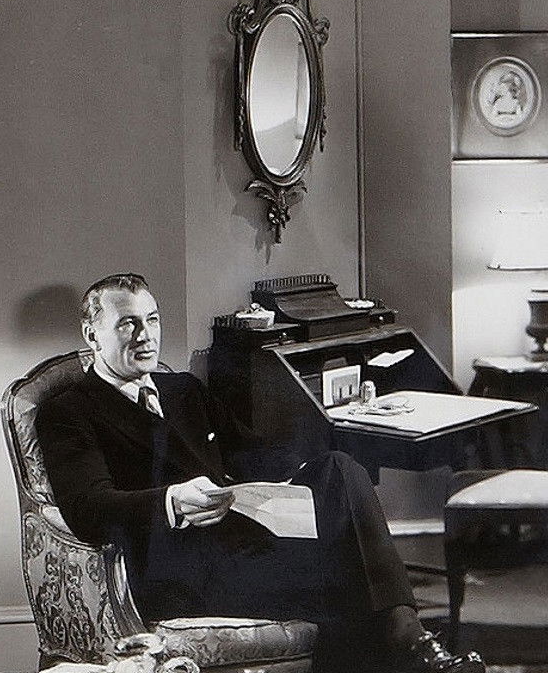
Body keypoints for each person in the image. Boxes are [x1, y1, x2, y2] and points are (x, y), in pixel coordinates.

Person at [36, 273, 485, 673]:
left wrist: (348, 421)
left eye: (152, 320)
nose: (145, 335)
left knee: (339, 467)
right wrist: (173, 502)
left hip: (243, 545)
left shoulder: (182, 389)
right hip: (174, 570)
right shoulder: (69, 411)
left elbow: (257, 454)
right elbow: (87, 509)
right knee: (350, 569)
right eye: (127, 324)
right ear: (92, 335)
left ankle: (408, 644)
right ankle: (413, 647)